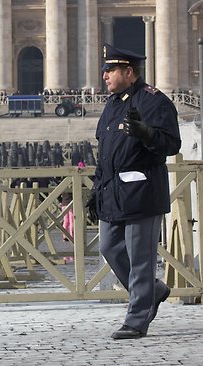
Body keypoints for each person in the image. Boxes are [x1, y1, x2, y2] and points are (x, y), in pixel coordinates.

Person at [86, 44, 181, 340]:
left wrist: (147, 134)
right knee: (109, 249)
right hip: (111, 192)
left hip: (141, 192)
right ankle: (153, 291)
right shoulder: (113, 103)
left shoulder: (155, 102)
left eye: (110, 70)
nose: (104, 75)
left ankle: (137, 319)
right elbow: (106, 152)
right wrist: (95, 191)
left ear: (129, 72)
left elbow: (171, 144)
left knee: (140, 258)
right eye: (105, 70)